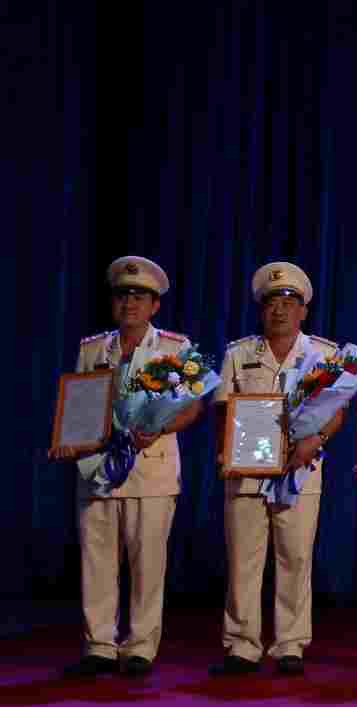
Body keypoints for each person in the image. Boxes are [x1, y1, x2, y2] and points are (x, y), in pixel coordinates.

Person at [59, 256, 203, 679]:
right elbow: (80, 407)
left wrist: (159, 429)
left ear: (155, 305)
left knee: (147, 565)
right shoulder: (92, 348)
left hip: (151, 469)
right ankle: (99, 645)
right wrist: (69, 441)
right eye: (123, 295)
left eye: (139, 296)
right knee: (96, 561)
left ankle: (140, 646)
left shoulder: (175, 348)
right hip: (98, 469)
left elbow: (191, 408)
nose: (130, 303)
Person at [212, 260, 339, 677]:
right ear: (261, 309)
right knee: (243, 562)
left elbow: (336, 412)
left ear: (303, 310)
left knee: (295, 559)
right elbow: (223, 412)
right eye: (271, 303)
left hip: (301, 472)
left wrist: (313, 442)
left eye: (288, 302)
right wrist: (225, 452)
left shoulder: (324, 354)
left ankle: (290, 645)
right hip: (246, 473)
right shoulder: (238, 354)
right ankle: (242, 645)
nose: (279, 310)